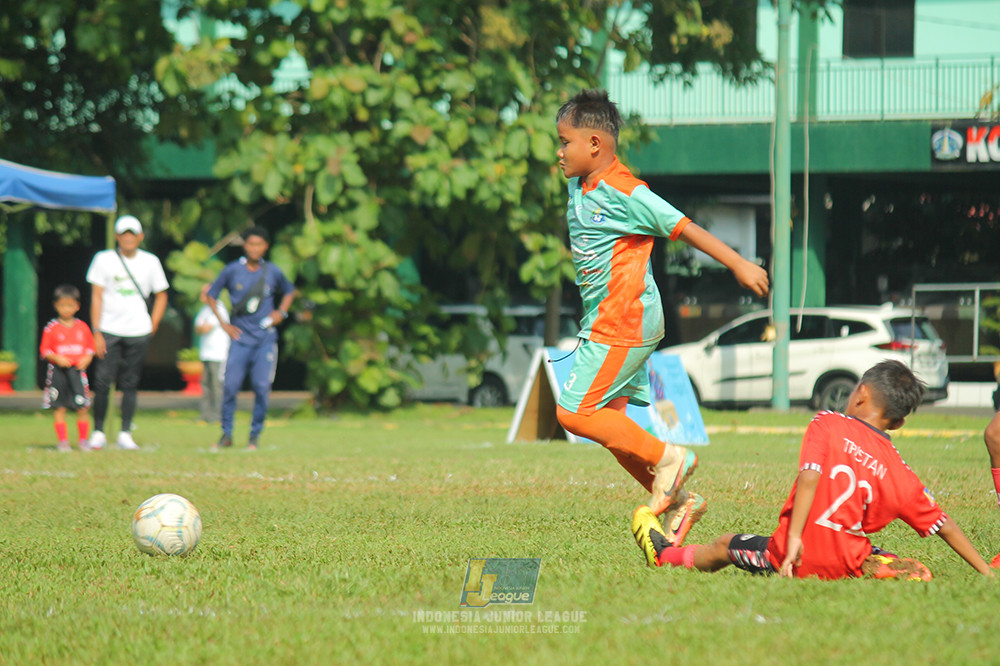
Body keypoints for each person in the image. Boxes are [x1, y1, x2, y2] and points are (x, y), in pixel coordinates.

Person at [553, 89, 770, 516]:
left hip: (624, 319)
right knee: (610, 427)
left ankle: (672, 459)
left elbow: (683, 227)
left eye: (565, 142)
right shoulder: (581, 187)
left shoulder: (626, 191)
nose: (559, 152)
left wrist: (739, 264)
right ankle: (679, 503)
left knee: (573, 414)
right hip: (605, 319)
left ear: (594, 144)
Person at [632, 360, 996, 580]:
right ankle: (878, 565)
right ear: (898, 424)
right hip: (845, 561)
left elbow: (810, 477)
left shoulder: (827, 423)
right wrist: (986, 571)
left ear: (861, 394)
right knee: (863, 549)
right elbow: (943, 525)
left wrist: (792, 543)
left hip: (797, 556)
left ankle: (665, 557)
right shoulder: (899, 471)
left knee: (727, 545)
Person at [205, 226, 295, 450]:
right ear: (244, 246)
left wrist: (280, 313)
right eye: (251, 244)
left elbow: (289, 291)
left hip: (265, 340)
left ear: (266, 246)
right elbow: (211, 295)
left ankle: (254, 435)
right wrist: (224, 324)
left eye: (259, 244)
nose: (255, 248)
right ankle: (226, 434)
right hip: (240, 339)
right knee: (231, 386)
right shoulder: (232, 270)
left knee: (261, 387)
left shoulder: (273, 271)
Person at [86, 214, 169, 450]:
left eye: (133, 234)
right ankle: (99, 431)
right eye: (124, 234)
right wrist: (97, 331)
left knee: (130, 382)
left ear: (140, 237)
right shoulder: (103, 259)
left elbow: (161, 294)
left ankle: (125, 431)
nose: (128, 239)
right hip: (109, 329)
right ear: (117, 237)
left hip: (138, 330)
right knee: (102, 381)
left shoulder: (150, 261)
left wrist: (153, 324)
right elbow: (97, 296)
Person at [39, 284, 96, 451]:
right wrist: (56, 357)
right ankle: (63, 441)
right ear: (56, 305)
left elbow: (90, 348)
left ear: (77, 306)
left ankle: (83, 441)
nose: (66, 309)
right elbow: (45, 350)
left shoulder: (82, 327)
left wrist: (87, 357)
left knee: (82, 406)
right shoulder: (51, 328)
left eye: (70, 305)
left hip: (76, 372)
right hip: (58, 372)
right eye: (62, 305)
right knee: (59, 407)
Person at [194, 285, 229, 424]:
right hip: (206, 353)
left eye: (204, 293)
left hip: (218, 354)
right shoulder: (204, 310)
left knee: (216, 386)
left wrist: (203, 328)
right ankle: (206, 414)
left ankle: (218, 415)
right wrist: (202, 328)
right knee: (206, 385)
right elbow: (198, 328)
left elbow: (206, 328)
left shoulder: (219, 309)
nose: (201, 296)